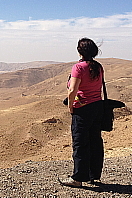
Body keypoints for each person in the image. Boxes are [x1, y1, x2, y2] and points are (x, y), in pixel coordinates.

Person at [59, 38, 104, 187]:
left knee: (80, 144)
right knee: (95, 141)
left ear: (80, 51)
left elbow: (73, 89)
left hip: (83, 109)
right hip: (97, 107)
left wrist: (70, 106)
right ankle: (93, 175)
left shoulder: (78, 67)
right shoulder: (98, 66)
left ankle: (78, 178)